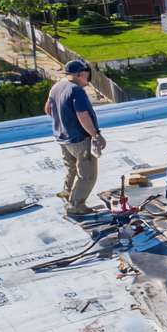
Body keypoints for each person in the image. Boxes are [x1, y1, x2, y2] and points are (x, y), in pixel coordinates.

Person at [44, 59, 106, 217]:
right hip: (79, 139)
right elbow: (82, 115)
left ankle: (67, 193)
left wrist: (63, 121)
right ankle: (75, 205)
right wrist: (96, 135)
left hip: (62, 138)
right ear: (81, 73)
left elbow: (48, 109)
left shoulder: (57, 86)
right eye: (86, 75)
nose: (87, 79)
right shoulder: (76, 90)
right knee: (88, 174)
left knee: (71, 168)